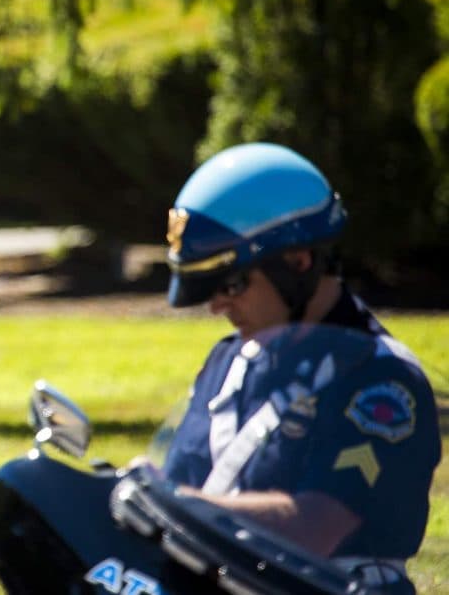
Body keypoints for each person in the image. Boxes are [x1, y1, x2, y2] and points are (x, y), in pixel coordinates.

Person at [156, 142, 440, 591]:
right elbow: (178, 484)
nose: (216, 305)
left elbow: (315, 527)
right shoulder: (228, 362)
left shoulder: (382, 381)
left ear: (298, 262)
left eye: (230, 283)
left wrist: (174, 503)